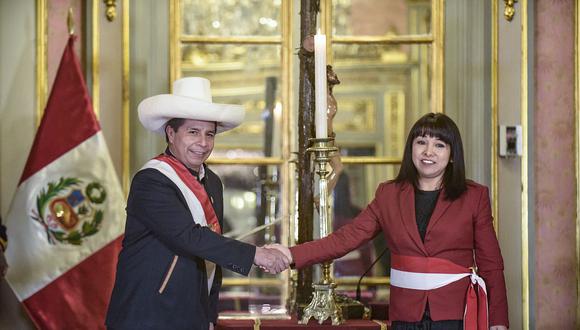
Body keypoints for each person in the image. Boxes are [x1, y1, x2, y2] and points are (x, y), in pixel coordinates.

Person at [270, 113, 509, 330]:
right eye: (421, 142)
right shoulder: (388, 194)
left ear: (452, 154)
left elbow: (491, 264)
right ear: (411, 149)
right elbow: (345, 238)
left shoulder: (474, 196)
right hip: (405, 314)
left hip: (456, 312)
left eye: (439, 145)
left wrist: (498, 321)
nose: (428, 152)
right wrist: (291, 255)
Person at [106, 77, 290, 330]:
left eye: (209, 134)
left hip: (194, 315)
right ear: (171, 133)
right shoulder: (151, 180)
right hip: (148, 315)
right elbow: (191, 237)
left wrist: (209, 316)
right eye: (193, 132)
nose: (203, 143)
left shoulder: (212, 182)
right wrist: (257, 255)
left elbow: (211, 252)